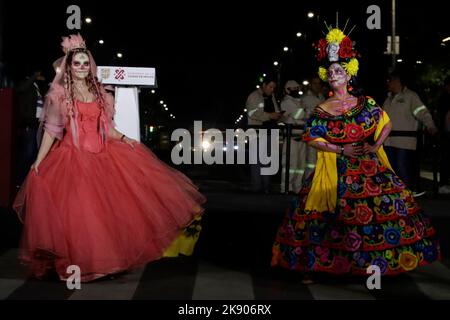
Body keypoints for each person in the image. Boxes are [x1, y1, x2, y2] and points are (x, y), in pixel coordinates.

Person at [13, 34, 205, 282]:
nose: (81, 67)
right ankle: (79, 263)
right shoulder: (59, 94)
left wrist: (125, 139)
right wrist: (39, 160)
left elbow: (108, 129)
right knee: (81, 214)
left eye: (85, 63)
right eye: (77, 63)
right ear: (69, 67)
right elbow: (52, 130)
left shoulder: (101, 94)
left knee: (108, 214)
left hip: (103, 157)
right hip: (73, 159)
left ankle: (106, 262)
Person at [271, 27, 440, 283]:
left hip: (367, 165)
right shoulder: (322, 108)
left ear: (348, 75)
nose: (334, 75)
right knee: (319, 216)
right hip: (334, 168)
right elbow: (312, 137)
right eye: (330, 72)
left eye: (339, 71)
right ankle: (314, 265)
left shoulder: (365, 102)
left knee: (375, 213)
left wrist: (375, 146)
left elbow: (386, 123)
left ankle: (373, 264)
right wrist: (340, 149)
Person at [383, 70, 438, 197]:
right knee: (392, 168)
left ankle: (407, 193)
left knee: (402, 166)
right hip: (389, 141)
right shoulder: (388, 99)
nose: (388, 83)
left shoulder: (410, 96)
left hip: (405, 141)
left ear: (397, 81)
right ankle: (396, 194)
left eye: (390, 81)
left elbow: (422, 112)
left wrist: (431, 126)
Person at [246, 75, 283, 193]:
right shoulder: (254, 96)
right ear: (264, 85)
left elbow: (274, 111)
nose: (272, 89)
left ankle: (266, 187)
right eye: (270, 87)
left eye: (274, 87)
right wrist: (270, 115)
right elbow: (252, 113)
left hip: (269, 133)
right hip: (257, 133)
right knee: (257, 161)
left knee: (266, 160)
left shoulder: (271, 97)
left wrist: (278, 116)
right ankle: (257, 188)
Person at [14, 69, 47, 187]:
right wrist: (34, 76)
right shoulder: (26, 83)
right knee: (27, 153)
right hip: (28, 123)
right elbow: (21, 89)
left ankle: (26, 180)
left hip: (35, 124)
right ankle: (19, 180)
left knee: (32, 152)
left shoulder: (35, 86)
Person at [280, 80, 306, 194]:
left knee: (301, 165)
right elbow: (300, 115)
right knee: (290, 164)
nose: (296, 90)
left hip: (301, 137)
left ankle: (297, 188)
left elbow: (303, 115)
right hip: (291, 139)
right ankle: (286, 188)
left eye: (297, 88)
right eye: (294, 88)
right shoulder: (286, 102)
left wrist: (304, 113)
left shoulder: (298, 101)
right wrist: (304, 113)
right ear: (287, 90)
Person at [300, 76, 325, 180]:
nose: (317, 86)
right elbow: (303, 115)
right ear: (310, 85)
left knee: (319, 160)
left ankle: (316, 183)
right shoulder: (305, 98)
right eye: (315, 83)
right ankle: (307, 185)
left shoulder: (322, 97)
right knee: (310, 161)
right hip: (310, 132)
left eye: (319, 83)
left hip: (321, 133)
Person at [437, 76, 450, 194]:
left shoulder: (443, 99)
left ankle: (444, 184)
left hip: (445, 133)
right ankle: (444, 184)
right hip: (446, 134)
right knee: (445, 159)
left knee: (445, 159)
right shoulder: (444, 99)